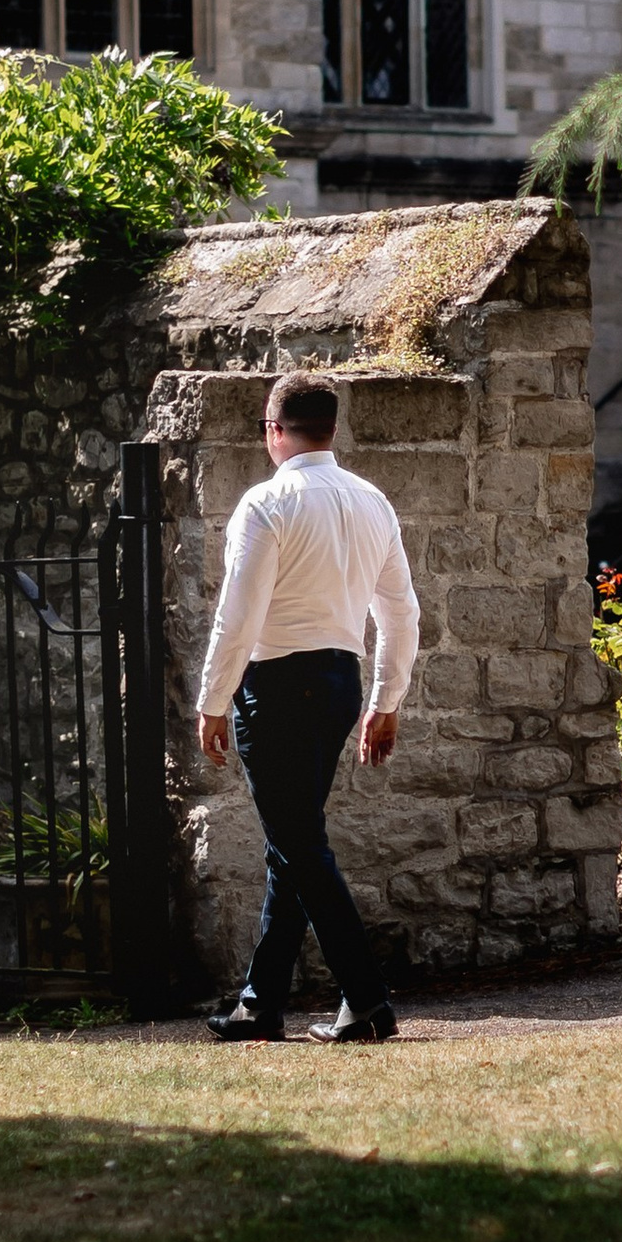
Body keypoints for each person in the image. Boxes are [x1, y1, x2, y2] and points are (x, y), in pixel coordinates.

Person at [194, 371, 418, 1045]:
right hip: (341, 684)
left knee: (297, 843)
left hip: (276, 687)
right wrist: (386, 699)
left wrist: (212, 699)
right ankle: (260, 1003)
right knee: (289, 845)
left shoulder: (267, 504)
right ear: (332, 427)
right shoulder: (372, 500)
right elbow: (401, 611)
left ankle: (368, 998)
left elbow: (238, 615)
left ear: (274, 429)